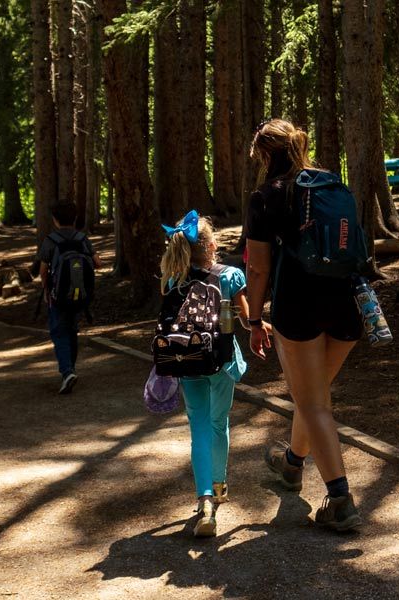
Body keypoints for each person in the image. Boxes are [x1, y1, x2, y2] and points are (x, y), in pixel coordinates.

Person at [242, 118, 364, 531]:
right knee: (312, 396)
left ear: (263, 154)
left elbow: (257, 269)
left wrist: (254, 319)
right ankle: (292, 464)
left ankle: (340, 499)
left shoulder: (265, 196)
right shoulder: (331, 183)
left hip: (299, 307)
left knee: (313, 403)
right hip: (348, 303)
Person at [159, 212, 250, 537]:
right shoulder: (230, 275)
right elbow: (243, 316)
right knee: (218, 423)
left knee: (198, 428)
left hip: (188, 360)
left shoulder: (173, 280)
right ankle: (220, 485)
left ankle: (205, 502)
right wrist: (256, 326)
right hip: (221, 361)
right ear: (212, 245)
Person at [36, 201, 97, 394]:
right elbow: (98, 262)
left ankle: (67, 371)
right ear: (76, 218)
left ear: (55, 220)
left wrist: (46, 290)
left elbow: (43, 270)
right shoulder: (82, 238)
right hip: (79, 295)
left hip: (58, 295)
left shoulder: (50, 240)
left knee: (59, 331)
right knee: (72, 330)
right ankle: (71, 368)